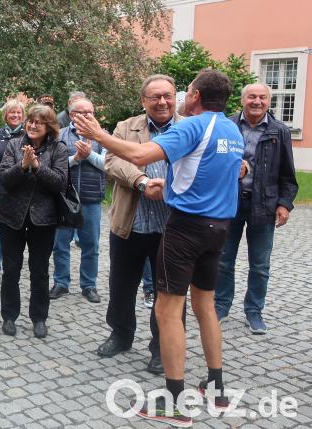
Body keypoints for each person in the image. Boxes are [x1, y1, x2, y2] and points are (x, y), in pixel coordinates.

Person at [74, 69, 245, 426]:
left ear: (195, 95)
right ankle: (216, 387)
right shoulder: (231, 128)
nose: (174, 98)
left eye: (182, 92)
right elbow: (221, 169)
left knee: (168, 310)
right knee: (205, 306)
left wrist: (97, 134)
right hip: (218, 228)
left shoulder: (192, 126)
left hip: (184, 228)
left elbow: (137, 155)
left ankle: (174, 401)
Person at [98, 74, 184, 376]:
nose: (162, 102)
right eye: (155, 97)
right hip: (130, 223)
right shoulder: (126, 127)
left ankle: (162, 348)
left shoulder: (189, 126)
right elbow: (113, 161)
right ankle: (120, 335)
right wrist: (142, 181)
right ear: (143, 101)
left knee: (168, 293)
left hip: (171, 228)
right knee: (121, 286)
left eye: (168, 95)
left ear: (175, 98)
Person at [214, 83, 298, 334]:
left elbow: (288, 175)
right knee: (223, 260)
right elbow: (214, 164)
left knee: (260, 265)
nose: (257, 101)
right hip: (230, 203)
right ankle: (220, 306)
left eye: (262, 97)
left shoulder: (279, 130)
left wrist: (284, 204)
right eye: (252, 96)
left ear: (269, 102)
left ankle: (254, 311)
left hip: (264, 204)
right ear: (243, 100)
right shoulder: (227, 126)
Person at [0, 104, 67, 338]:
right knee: (11, 269)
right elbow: (3, 179)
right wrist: (23, 166)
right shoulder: (14, 144)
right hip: (11, 216)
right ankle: (9, 316)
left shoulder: (59, 149)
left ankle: (39, 318)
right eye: (31, 121)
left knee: (40, 271)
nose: (33, 125)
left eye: (39, 122)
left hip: (43, 220)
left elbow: (60, 182)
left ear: (49, 127)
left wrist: (37, 166)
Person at [50, 97, 106, 304]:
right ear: (72, 115)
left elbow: (108, 165)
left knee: (91, 245)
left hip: (92, 199)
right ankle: (61, 282)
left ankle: (89, 285)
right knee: (60, 243)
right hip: (66, 198)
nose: (87, 116)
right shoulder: (59, 136)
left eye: (90, 112)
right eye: (82, 112)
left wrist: (89, 154)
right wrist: (77, 159)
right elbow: (56, 166)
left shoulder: (103, 136)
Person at [0, 99, 26, 285]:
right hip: (0, 190)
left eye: (19, 113)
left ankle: (12, 266)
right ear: (6, 115)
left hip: (22, 192)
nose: (16, 115)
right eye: (12, 112)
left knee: (18, 230)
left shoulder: (29, 135)